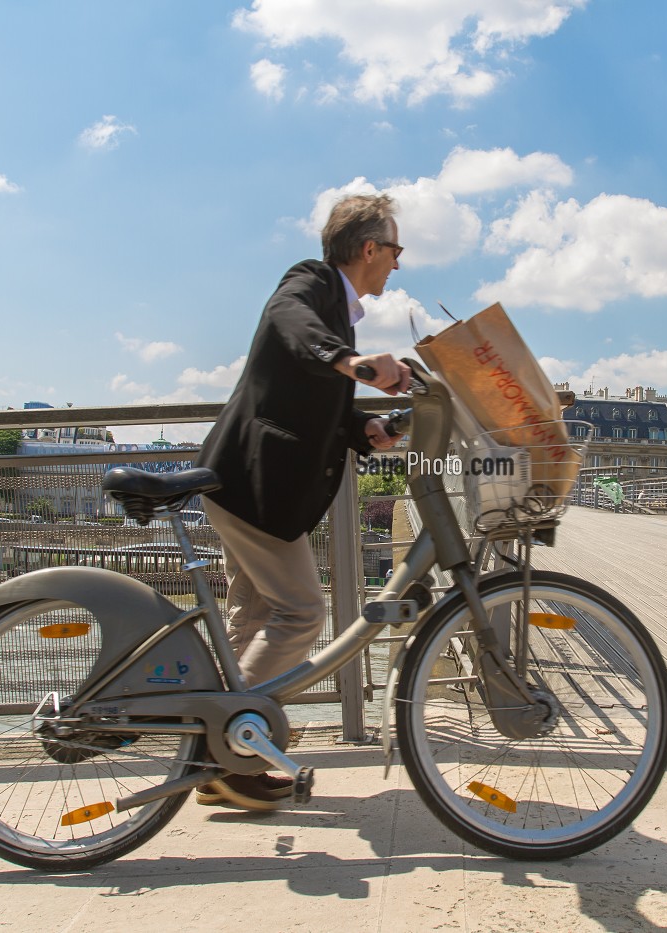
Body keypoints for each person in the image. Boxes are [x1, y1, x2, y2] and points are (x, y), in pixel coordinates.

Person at [195, 193, 411, 810]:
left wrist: (367, 429)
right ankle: (224, 751)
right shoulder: (310, 284)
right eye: (395, 251)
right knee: (301, 613)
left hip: (249, 483)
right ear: (369, 248)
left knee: (253, 617)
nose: (398, 265)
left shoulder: (339, 316)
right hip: (252, 485)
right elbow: (291, 326)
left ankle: (220, 761)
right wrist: (355, 362)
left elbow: (319, 402)